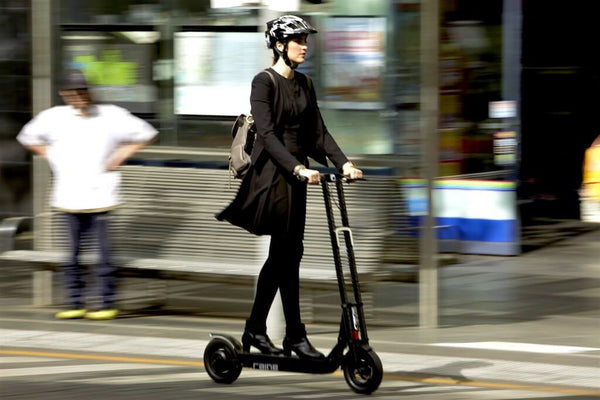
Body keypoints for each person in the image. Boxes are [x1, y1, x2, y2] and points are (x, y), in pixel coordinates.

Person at [216, 15, 363, 359]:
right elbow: (266, 135)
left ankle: (257, 328)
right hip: (272, 176)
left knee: (286, 255)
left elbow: (319, 133)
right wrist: (296, 167)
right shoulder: (263, 83)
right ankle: (293, 335)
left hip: (299, 177)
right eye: (298, 41)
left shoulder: (305, 84)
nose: (304, 46)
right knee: (287, 254)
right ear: (280, 45)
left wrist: (344, 163)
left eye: (305, 41)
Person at [17, 69, 158, 320]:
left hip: (101, 197)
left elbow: (147, 133)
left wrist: (121, 155)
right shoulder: (53, 117)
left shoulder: (111, 115)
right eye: (73, 93)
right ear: (64, 94)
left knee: (103, 255)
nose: (79, 97)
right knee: (71, 255)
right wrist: (49, 155)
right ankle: (74, 301)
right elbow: (27, 136)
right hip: (67, 197)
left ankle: (105, 302)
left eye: (82, 92)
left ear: (90, 92)